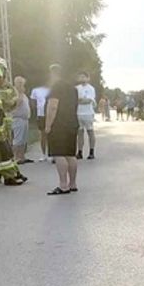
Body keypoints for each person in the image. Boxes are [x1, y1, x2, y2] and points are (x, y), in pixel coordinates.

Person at [43, 64, 79, 195]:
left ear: (54, 73)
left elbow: (53, 106)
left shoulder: (56, 87)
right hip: (72, 123)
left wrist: (48, 125)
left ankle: (63, 185)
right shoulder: (73, 89)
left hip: (59, 124)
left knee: (59, 154)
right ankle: (73, 183)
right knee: (70, 154)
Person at [30, 70, 55, 160]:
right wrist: (36, 109)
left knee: (51, 134)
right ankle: (44, 154)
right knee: (42, 135)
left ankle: (52, 154)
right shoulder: (36, 90)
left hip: (51, 114)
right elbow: (33, 102)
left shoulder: (53, 89)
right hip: (41, 114)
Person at [75, 71, 97, 159]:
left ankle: (91, 152)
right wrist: (81, 100)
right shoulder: (76, 88)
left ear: (88, 78)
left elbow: (88, 100)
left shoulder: (91, 88)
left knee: (90, 132)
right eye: (81, 77)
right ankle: (79, 152)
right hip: (78, 113)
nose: (82, 79)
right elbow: (75, 100)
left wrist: (80, 100)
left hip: (88, 113)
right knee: (80, 133)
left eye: (84, 77)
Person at [11, 75, 31, 164]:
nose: (22, 85)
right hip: (17, 118)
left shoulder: (23, 94)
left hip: (25, 118)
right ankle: (15, 157)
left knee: (23, 139)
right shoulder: (15, 93)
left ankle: (22, 156)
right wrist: (19, 94)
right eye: (20, 83)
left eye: (22, 83)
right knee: (18, 138)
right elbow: (16, 104)